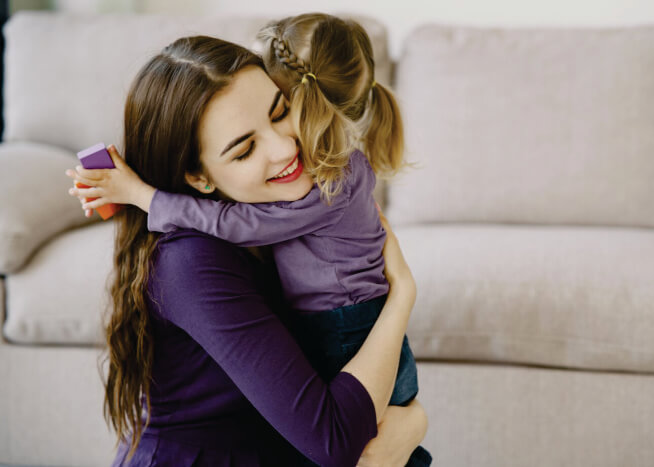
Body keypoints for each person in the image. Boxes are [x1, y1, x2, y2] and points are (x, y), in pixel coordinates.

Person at [66, 36, 427, 466]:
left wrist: (414, 422)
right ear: (199, 178)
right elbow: (335, 442)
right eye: (245, 149)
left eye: (280, 112)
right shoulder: (191, 263)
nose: (285, 149)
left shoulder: (278, 218)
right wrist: (401, 296)